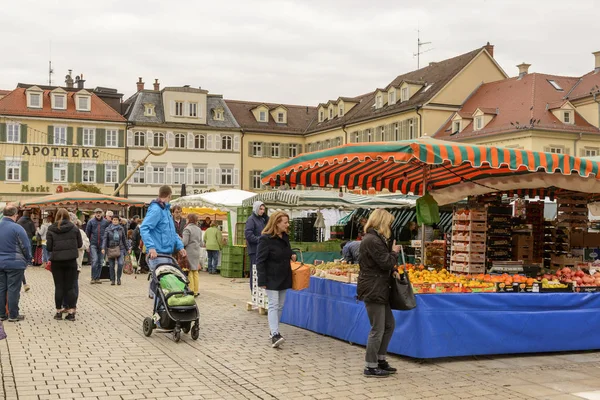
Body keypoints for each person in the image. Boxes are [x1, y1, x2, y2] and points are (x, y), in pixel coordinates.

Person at [357, 209, 401, 378]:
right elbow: (385, 262)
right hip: (374, 287)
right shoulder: (372, 240)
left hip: (380, 287)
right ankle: (370, 365)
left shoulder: (377, 239)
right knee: (378, 328)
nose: (390, 226)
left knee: (389, 325)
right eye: (388, 222)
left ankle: (380, 359)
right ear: (382, 222)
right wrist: (395, 252)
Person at [256, 211, 296, 348]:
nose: (287, 224)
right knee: (273, 305)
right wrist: (261, 281)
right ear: (276, 223)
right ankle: (275, 334)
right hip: (271, 277)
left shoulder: (285, 237)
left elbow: (287, 251)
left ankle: (274, 330)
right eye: (285, 222)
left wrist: (292, 254)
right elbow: (260, 261)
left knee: (280, 305)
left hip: (284, 275)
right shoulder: (265, 239)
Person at [140, 186, 186, 298]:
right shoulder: (157, 210)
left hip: (167, 253)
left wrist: (180, 247)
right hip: (158, 254)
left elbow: (172, 233)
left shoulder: (166, 211)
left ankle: (154, 297)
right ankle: (159, 310)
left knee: (163, 283)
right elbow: (144, 228)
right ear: (169, 195)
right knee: (162, 285)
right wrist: (151, 248)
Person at [47, 208, 82, 321]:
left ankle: (58, 312)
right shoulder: (74, 228)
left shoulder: (51, 229)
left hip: (57, 261)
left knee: (59, 286)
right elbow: (80, 244)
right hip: (71, 260)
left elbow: (48, 247)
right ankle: (71, 312)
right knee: (70, 286)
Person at [0, 205, 32, 322]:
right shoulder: (17, 228)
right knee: (13, 289)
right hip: (15, 263)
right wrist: (29, 259)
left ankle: (2, 314)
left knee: (1, 288)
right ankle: (13, 315)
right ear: (15, 215)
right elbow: (26, 246)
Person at [62, 216, 89, 313]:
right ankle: (65, 305)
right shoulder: (61, 231)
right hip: (63, 261)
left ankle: (72, 305)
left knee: (73, 284)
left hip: (76, 262)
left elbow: (86, 244)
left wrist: (77, 245)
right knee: (64, 284)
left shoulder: (80, 232)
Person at [245, 201, 269, 290]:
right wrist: (260, 240)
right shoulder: (251, 219)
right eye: (261, 209)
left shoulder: (262, 219)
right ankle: (254, 292)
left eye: (263, 209)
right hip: (254, 250)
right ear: (256, 208)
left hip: (261, 250)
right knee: (255, 271)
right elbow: (248, 235)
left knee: (261, 271)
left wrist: (266, 217)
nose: (262, 211)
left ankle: (260, 292)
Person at [102, 214, 130, 286]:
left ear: (118, 221)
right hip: (111, 248)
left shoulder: (121, 229)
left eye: (116, 220)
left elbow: (124, 239)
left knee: (120, 264)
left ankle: (118, 278)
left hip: (120, 248)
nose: (115, 221)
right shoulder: (108, 229)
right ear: (112, 220)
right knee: (111, 266)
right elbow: (105, 239)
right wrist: (103, 248)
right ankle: (113, 279)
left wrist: (128, 248)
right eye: (114, 220)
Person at [85, 208, 110, 284]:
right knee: (95, 260)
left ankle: (97, 278)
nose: (98, 214)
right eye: (97, 213)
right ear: (95, 214)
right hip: (93, 244)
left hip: (102, 245)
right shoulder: (91, 222)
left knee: (100, 262)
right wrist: (87, 245)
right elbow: (87, 234)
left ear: (102, 213)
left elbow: (108, 233)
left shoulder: (105, 222)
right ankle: (93, 277)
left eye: (99, 212)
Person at [182, 213, 202, 296]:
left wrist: (180, 239)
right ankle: (196, 290)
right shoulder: (198, 229)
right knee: (195, 271)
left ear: (189, 220)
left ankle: (191, 290)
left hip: (189, 252)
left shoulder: (187, 229)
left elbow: (185, 242)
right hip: (197, 251)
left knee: (190, 271)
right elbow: (201, 242)